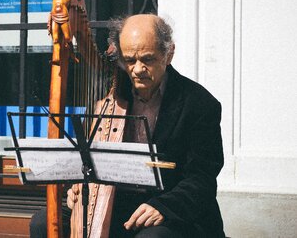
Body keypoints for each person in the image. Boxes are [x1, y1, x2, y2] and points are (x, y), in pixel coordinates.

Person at [31, 14, 225, 237]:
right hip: (113, 202)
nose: (138, 69)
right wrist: (75, 186)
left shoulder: (199, 104)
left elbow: (202, 178)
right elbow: (83, 154)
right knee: (42, 223)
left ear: (168, 54)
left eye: (148, 59)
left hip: (168, 205)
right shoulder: (109, 92)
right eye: (130, 60)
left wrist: (164, 207)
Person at [48, 0, 74, 65]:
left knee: (67, 38)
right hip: (55, 15)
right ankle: (57, 59)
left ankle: (72, 54)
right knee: (55, 39)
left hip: (63, 16)